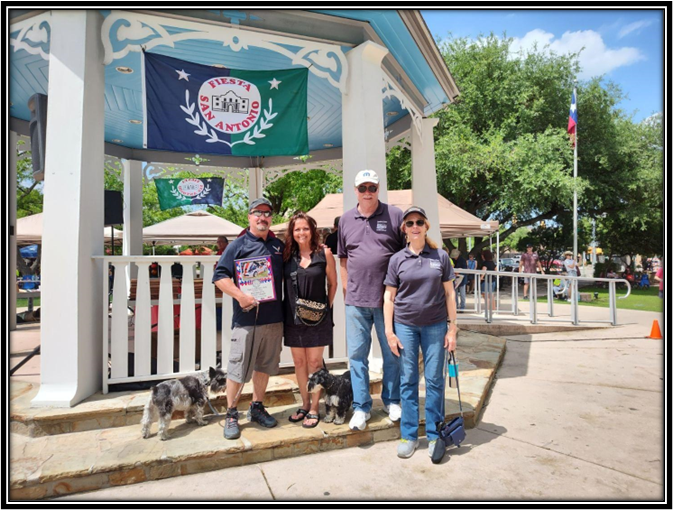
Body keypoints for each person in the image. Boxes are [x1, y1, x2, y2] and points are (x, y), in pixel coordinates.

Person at [383, 206, 458, 459]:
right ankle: (410, 435)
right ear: (404, 229)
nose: (415, 226)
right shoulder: (397, 260)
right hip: (405, 326)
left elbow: (449, 293)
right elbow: (388, 297)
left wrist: (453, 328)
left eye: (419, 222)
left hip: (436, 325)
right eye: (410, 223)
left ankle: (436, 435)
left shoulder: (440, 257)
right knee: (408, 380)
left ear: (426, 226)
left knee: (435, 381)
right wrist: (389, 332)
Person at [338, 169, 405, 431]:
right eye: (363, 188)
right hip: (356, 301)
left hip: (388, 300)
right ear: (355, 190)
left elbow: (404, 255)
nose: (368, 192)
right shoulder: (345, 220)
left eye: (372, 188)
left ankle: (392, 400)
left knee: (392, 353)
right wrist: (346, 290)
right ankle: (362, 407)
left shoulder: (395, 215)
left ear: (379, 189)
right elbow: (343, 258)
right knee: (357, 356)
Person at [213, 198, 285, 440]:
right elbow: (220, 277)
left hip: (274, 318)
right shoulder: (237, 246)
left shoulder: (278, 246)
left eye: (266, 213)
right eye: (257, 213)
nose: (262, 217)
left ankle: (256, 407)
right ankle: (231, 413)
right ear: (249, 217)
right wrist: (240, 296)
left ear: (270, 218)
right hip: (246, 319)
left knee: (264, 366)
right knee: (237, 368)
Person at [283, 212, 337, 428]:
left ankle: (315, 407)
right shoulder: (287, 256)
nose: (301, 233)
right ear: (292, 233)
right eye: (297, 229)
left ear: (312, 230)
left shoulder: (324, 253)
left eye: (305, 228)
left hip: (318, 319)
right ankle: (304, 404)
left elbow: (332, 284)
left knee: (315, 363)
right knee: (299, 363)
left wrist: (326, 309)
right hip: (293, 318)